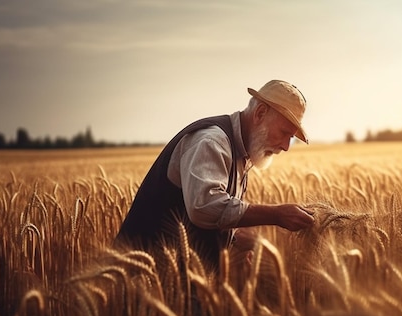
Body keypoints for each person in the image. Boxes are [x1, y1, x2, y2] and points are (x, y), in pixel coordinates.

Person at [114, 79, 315, 272]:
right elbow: (204, 206)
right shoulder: (212, 142)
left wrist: (232, 240)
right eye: (284, 133)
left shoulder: (242, 152)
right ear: (260, 113)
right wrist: (276, 215)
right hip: (143, 278)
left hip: (174, 280)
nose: (286, 147)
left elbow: (209, 214)